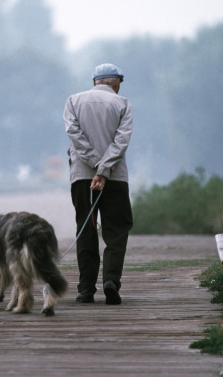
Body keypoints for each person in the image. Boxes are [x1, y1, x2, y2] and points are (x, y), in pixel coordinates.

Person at [63, 63, 133, 305]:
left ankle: (85, 290)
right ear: (115, 82)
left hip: (82, 176)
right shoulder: (123, 104)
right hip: (115, 178)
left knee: (86, 229)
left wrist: (94, 165)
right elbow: (121, 141)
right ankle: (111, 281)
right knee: (116, 231)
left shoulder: (73, 101)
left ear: (95, 81)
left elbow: (74, 135)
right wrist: (104, 170)